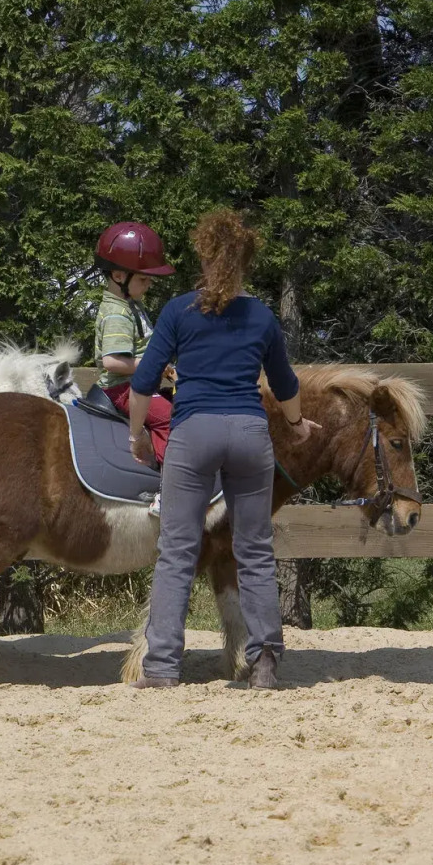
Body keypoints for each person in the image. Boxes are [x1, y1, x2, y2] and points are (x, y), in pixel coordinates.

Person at [125, 209, 319, 691]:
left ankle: (162, 667)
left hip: (193, 433)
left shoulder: (178, 311)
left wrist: (137, 434)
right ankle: (265, 662)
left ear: (204, 256)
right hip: (250, 435)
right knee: (253, 549)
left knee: (176, 550)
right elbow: (285, 382)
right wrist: (295, 425)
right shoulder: (260, 315)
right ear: (246, 262)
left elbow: (145, 381)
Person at [93, 221, 176, 516]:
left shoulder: (130, 306)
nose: (149, 285)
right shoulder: (117, 313)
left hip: (137, 384)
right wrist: (154, 364)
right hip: (122, 389)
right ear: (119, 275)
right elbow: (112, 362)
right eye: (143, 279)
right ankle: (169, 493)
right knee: (171, 418)